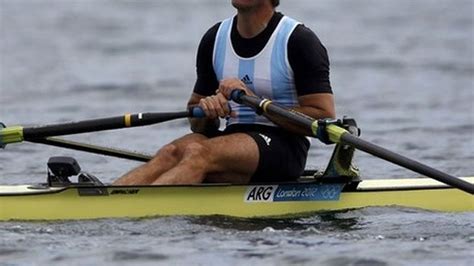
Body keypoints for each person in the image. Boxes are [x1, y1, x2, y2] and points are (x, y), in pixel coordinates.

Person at [114, 0, 335, 185]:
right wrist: (208, 112)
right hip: (230, 139)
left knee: (197, 154)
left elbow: (323, 116)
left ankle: (142, 211)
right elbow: (196, 119)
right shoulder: (215, 38)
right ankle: (111, 201)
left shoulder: (298, 41)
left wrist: (255, 101)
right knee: (169, 153)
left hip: (283, 146)